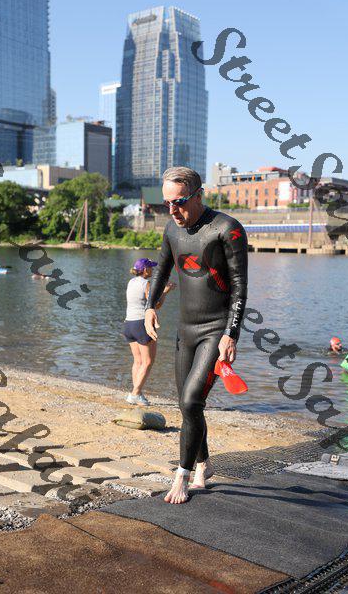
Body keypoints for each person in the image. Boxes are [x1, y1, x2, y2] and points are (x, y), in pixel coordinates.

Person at [144, 167, 248, 504]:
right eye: (166, 204)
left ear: (199, 195)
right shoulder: (171, 230)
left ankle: (182, 476)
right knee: (187, 406)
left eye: (179, 202)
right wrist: (150, 307)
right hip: (185, 330)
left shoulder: (227, 229)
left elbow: (239, 286)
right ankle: (204, 464)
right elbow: (161, 269)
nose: (172, 210)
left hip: (216, 330)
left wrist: (231, 334)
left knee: (191, 401)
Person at [123, 257, 176, 406]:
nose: (153, 270)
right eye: (151, 267)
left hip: (128, 324)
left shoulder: (131, 282)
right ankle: (135, 394)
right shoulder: (146, 284)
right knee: (147, 361)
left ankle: (136, 393)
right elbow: (154, 305)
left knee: (138, 361)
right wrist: (165, 291)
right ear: (145, 270)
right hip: (142, 324)